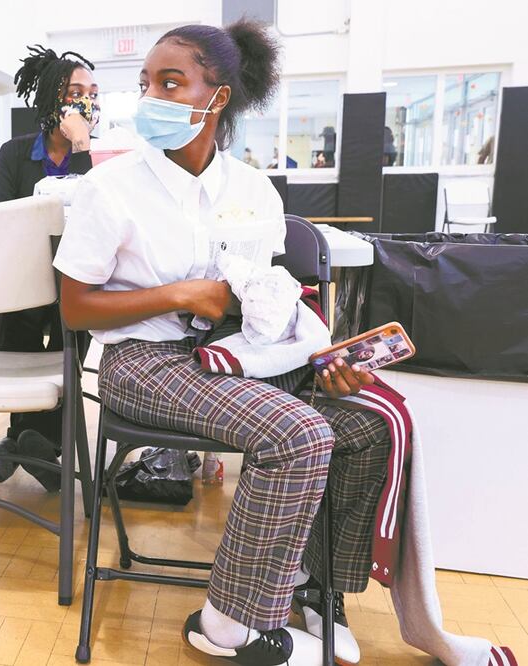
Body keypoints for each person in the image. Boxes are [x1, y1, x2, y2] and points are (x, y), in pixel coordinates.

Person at [55, 21, 393, 665]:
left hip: (237, 354)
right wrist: (180, 294)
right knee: (296, 434)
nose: (151, 95)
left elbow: (264, 296)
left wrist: (314, 356)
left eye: (171, 82)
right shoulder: (109, 188)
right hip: (143, 361)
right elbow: (75, 309)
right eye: (146, 82)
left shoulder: (252, 189)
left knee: (364, 423)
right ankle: (228, 622)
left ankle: (314, 592)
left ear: (219, 97)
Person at [0, 45, 97, 490]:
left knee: (71, 328)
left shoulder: (94, 161)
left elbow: (98, 216)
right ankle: (43, 451)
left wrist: (83, 147)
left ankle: (20, 445)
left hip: (74, 285)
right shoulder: (14, 153)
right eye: (76, 92)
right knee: (21, 326)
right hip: (20, 282)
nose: (88, 101)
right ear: (52, 101)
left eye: (93, 93)